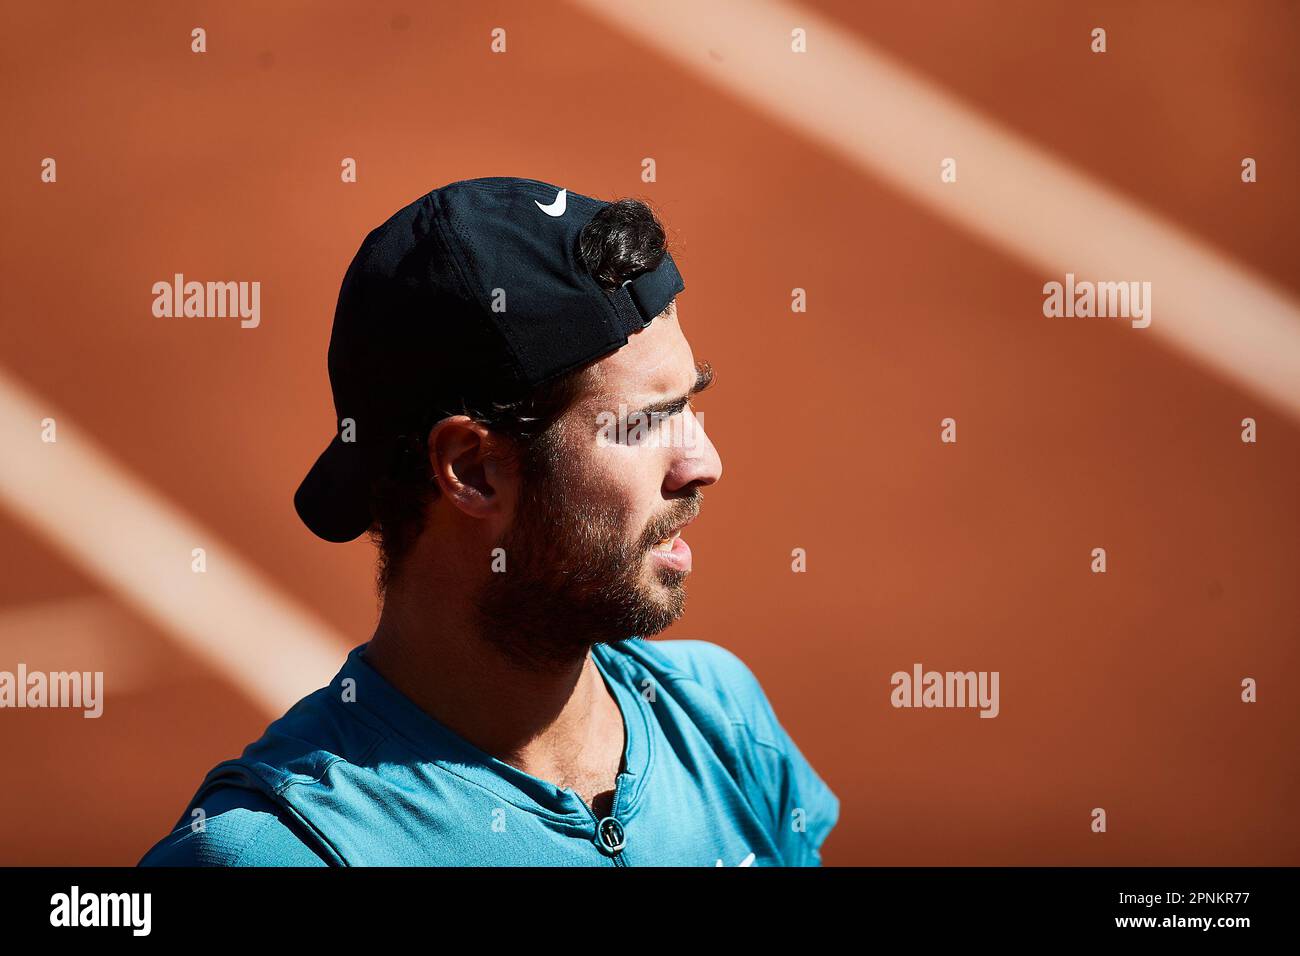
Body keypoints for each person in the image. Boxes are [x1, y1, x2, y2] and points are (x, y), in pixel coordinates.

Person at [139, 177, 838, 866]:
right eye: (645, 421)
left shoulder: (719, 717)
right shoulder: (281, 853)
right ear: (472, 471)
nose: (703, 463)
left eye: (691, 404)